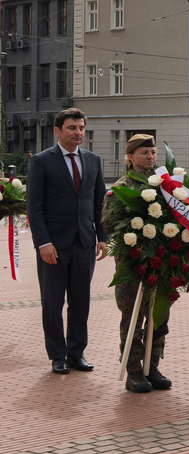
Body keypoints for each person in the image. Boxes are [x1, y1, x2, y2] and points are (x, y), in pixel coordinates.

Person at [26, 108, 109, 374]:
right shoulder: (41, 161)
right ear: (58, 131)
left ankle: (76, 353)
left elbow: (99, 204)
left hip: (84, 243)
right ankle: (57, 355)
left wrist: (102, 237)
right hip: (53, 246)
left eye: (82, 128)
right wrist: (43, 243)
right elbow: (34, 207)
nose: (78, 133)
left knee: (80, 302)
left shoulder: (94, 160)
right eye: (72, 128)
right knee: (53, 303)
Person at [101, 134, 172, 392]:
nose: (150, 157)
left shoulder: (165, 186)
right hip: (132, 265)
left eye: (153, 152)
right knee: (132, 317)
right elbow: (108, 224)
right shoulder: (120, 187)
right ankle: (133, 370)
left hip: (161, 263)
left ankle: (152, 367)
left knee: (158, 316)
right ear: (130, 157)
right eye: (144, 153)